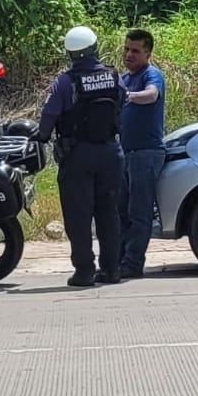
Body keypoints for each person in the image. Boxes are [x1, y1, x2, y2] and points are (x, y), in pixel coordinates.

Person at [38, 25, 124, 289]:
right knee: (109, 212)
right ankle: (111, 270)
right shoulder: (113, 75)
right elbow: (124, 102)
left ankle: (84, 272)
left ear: (70, 53)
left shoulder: (65, 82)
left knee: (79, 215)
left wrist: (41, 137)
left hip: (77, 155)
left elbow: (49, 115)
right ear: (94, 48)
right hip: (111, 152)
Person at [118, 27, 166, 280]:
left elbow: (151, 95)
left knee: (139, 212)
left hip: (146, 153)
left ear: (148, 53)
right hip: (125, 154)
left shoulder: (152, 74)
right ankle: (119, 259)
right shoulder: (124, 78)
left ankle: (133, 264)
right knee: (120, 211)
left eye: (135, 51)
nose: (129, 54)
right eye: (126, 49)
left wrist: (129, 96)